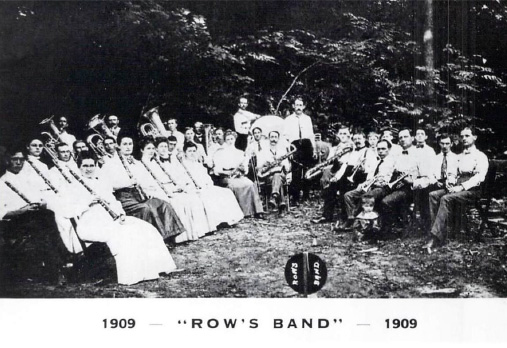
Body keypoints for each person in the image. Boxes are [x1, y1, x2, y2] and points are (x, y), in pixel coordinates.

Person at [68, 154, 178, 285]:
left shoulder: (100, 183)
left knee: (146, 228)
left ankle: (156, 268)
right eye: (85, 166)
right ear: (79, 167)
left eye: (92, 165)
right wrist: (88, 202)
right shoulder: (73, 186)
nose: (89, 169)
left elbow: (114, 202)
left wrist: (120, 214)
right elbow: (68, 210)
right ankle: (132, 275)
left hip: (111, 218)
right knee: (123, 235)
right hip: (90, 223)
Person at [0, 150, 70, 284]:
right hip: (13, 222)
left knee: (47, 216)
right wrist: (22, 211)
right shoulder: (2, 182)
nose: (19, 162)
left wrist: (41, 203)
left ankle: (55, 269)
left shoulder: (27, 180)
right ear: (7, 160)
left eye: (21, 159)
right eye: (15, 159)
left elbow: (38, 198)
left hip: (34, 218)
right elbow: (2, 212)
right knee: (45, 221)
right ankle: (60, 262)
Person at [98, 134, 186, 241]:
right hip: (124, 198)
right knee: (146, 209)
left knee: (163, 204)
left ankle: (169, 237)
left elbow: (144, 180)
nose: (128, 147)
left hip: (139, 195)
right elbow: (107, 186)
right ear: (118, 146)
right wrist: (127, 183)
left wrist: (146, 190)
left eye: (130, 144)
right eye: (125, 144)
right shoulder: (110, 164)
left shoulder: (136, 162)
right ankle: (152, 240)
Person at [424, 127, 489, 253]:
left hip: (473, 190)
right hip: (457, 187)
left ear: (474, 137)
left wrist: (461, 187)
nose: (464, 138)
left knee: (446, 198)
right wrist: (450, 182)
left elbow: (479, 177)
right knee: (433, 195)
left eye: (467, 136)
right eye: (462, 136)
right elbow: (453, 173)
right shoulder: (459, 156)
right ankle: (438, 232)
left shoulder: (480, 156)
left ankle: (434, 238)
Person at [140, 138, 214, 242]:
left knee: (192, 199)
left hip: (167, 188)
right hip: (155, 192)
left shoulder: (156, 162)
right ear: (142, 150)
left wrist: (177, 187)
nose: (151, 151)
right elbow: (149, 184)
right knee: (179, 202)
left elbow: (169, 177)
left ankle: (195, 232)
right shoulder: (142, 164)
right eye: (149, 148)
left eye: (152, 148)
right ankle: (180, 237)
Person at [181, 141, 244, 227]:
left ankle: (227, 219)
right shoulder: (183, 165)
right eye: (190, 151)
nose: (192, 153)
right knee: (209, 196)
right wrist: (196, 187)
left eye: (194, 151)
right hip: (194, 189)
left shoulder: (198, 165)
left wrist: (208, 185)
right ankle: (216, 223)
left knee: (226, 192)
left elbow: (207, 177)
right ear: (185, 152)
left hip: (206, 186)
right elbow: (184, 181)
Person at [342, 140, 395, 230]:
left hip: (382, 188)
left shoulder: (392, 162)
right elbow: (370, 177)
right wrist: (363, 184)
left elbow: (388, 179)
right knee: (348, 195)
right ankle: (352, 218)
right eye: (378, 149)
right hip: (371, 185)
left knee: (366, 196)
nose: (380, 151)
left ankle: (356, 221)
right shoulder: (376, 161)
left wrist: (380, 181)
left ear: (389, 149)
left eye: (383, 149)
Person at [213, 130, 264, 218]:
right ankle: (240, 213)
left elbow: (245, 169)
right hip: (227, 176)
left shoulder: (240, 152)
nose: (230, 141)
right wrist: (227, 172)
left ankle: (256, 211)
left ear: (235, 139)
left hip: (238, 175)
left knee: (250, 184)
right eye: (228, 139)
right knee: (234, 186)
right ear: (225, 140)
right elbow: (217, 169)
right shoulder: (220, 152)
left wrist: (242, 169)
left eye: (232, 139)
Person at [283, 97, 317, 205]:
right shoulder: (288, 120)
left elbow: (311, 135)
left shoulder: (307, 119)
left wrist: (314, 149)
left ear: (304, 106)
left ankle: (306, 195)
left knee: (307, 171)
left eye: (300, 105)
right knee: (296, 172)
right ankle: (295, 197)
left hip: (307, 145)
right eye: (297, 105)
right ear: (293, 106)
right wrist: (289, 151)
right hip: (295, 145)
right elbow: (285, 137)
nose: (299, 107)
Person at [256, 131, 291, 212]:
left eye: (275, 137)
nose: (273, 139)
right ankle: (281, 203)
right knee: (277, 176)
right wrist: (265, 164)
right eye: (272, 137)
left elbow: (287, 168)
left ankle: (273, 198)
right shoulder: (262, 152)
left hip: (281, 175)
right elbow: (258, 166)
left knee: (277, 174)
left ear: (278, 139)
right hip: (268, 176)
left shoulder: (283, 151)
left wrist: (282, 163)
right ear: (269, 138)